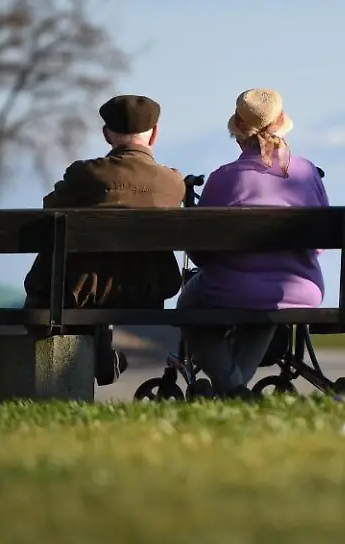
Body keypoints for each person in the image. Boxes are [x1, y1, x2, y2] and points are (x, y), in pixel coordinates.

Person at [23, 94, 186, 387]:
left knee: (54, 283)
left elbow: (48, 212)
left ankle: (70, 375)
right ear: (155, 134)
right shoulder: (173, 182)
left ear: (106, 134)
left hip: (82, 291)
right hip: (147, 290)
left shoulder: (85, 174)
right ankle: (100, 354)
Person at [178, 88, 329, 399]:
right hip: (299, 289)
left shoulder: (223, 178)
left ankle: (231, 387)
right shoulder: (307, 173)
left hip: (232, 287)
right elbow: (320, 244)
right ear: (283, 124)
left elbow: (200, 251)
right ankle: (235, 391)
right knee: (263, 310)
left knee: (188, 310)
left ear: (237, 131)